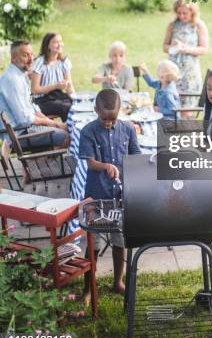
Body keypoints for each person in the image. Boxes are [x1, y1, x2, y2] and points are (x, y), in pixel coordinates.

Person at [78, 89, 141, 301]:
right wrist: (106, 166)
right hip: (96, 196)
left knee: (119, 240)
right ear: (96, 110)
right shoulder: (88, 131)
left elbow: (135, 156)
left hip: (119, 196)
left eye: (112, 119)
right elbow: (90, 162)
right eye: (104, 118)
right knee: (93, 244)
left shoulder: (128, 129)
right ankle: (87, 289)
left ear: (119, 112)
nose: (108, 123)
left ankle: (118, 281)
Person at [0, 41, 69, 148]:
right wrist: (53, 124)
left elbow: (32, 107)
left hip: (24, 129)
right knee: (67, 136)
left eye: (31, 54)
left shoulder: (20, 75)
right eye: (25, 55)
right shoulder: (12, 80)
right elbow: (24, 119)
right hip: (18, 134)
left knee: (65, 128)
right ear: (13, 58)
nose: (31, 59)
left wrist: (49, 122)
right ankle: (46, 163)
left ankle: (44, 161)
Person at [163, 0, 209, 108]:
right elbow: (164, 47)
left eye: (185, 13)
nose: (182, 16)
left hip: (190, 73)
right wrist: (172, 47)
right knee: (171, 105)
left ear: (192, 12)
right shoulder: (172, 25)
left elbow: (204, 49)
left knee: (187, 109)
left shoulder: (199, 25)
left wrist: (187, 48)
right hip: (173, 70)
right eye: (179, 13)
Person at [31, 32, 75, 122]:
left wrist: (75, 98)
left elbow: (69, 88)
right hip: (42, 100)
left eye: (60, 41)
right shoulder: (40, 62)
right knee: (66, 107)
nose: (60, 45)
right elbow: (34, 89)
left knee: (75, 105)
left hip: (58, 97)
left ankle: (75, 132)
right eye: (55, 42)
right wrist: (56, 86)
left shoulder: (63, 62)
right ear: (48, 45)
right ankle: (67, 131)